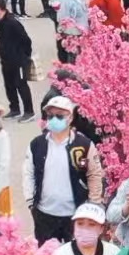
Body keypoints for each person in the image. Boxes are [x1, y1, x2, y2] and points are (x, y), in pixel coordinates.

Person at [25, 97, 105, 245]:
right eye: (50, 116)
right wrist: (31, 201)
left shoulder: (83, 145)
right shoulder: (37, 145)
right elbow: (28, 173)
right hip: (44, 214)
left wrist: (93, 204)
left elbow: (94, 174)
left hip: (75, 214)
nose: (54, 119)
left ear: (70, 117)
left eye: (60, 116)